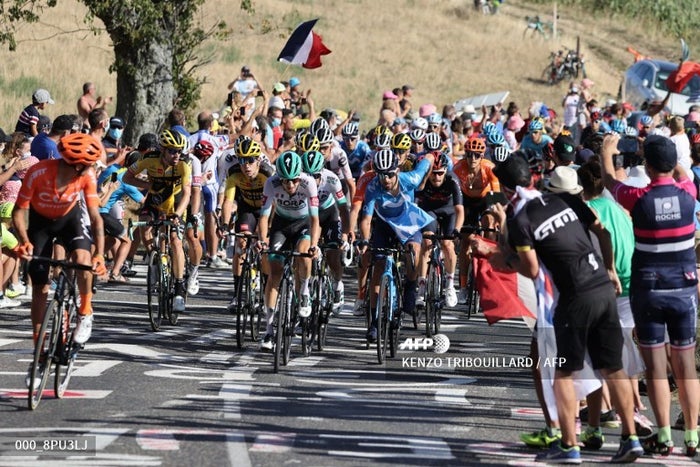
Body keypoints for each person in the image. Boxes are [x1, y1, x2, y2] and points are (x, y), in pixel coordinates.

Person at [491, 154, 643, 464]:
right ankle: (630, 439)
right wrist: (610, 268)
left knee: (562, 372)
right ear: (534, 179)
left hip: (575, 296)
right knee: (612, 367)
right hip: (602, 286)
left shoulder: (521, 219)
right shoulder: (565, 200)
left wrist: (502, 258)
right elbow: (600, 229)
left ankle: (569, 445)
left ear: (507, 190)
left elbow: (532, 269)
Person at [600, 133, 700, 457]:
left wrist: (606, 151)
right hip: (684, 289)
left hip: (649, 289)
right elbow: (684, 173)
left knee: (656, 367)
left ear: (647, 166)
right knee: (686, 365)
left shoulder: (637, 197)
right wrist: (665, 151)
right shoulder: (689, 192)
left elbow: (608, 181)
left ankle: (665, 434)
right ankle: (693, 436)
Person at [13, 133, 107, 387]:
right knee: (40, 287)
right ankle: (39, 352)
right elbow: (19, 212)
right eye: (88, 165)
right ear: (76, 165)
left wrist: (99, 253)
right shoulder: (38, 173)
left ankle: (85, 311)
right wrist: (24, 241)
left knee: (83, 260)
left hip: (70, 221)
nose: (91, 168)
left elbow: (95, 218)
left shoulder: (87, 176)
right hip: (41, 224)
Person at [357, 148, 436, 342]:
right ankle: (375, 321)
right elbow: (366, 219)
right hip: (385, 225)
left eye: (390, 174)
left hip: (408, 221)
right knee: (378, 267)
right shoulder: (373, 187)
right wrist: (365, 241)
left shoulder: (410, 179)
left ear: (398, 171)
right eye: (381, 175)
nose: (386, 179)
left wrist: (430, 155)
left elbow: (427, 161)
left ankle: (410, 287)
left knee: (414, 251)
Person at [122, 129, 192, 314]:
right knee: (144, 225)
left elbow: (187, 194)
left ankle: (179, 289)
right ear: (162, 150)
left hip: (176, 202)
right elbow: (126, 177)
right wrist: (147, 185)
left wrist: (177, 214)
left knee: (175, 240)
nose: (176, 155)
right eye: (172, 151)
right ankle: (154, 262)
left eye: (179, 151)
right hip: (156, 198)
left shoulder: (184, 165)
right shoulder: (149, 160)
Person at [257, 151, 320, 350]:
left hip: (303, 224)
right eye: (285, 181)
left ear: (300, 176)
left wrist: (314, 245)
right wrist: (262, 241)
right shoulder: (271, 183)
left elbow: (315, 219)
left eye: (294, 180)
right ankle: (269, 330)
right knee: (274, 273)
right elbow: (264, 217)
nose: (290, 185)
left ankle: (304, 290)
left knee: (304, 254)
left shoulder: (309, 183)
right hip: (281, 225)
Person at [220, 138, 274, 309]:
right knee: (241, 244)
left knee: (264, 248)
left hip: (266, 211)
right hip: (247, 209)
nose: (246, 166)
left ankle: (265, 294)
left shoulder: (267, 173)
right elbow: (228, 201)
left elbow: (275, 204)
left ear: (258, 160)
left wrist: (267, 227)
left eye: (250, 160)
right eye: (242, 161)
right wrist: (224, 224)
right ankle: (236, 295)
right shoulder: (234, 173)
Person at [301, 149, 352, 312]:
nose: (311, 180)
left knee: (332, 253)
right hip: (309, 215)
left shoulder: (331, 179)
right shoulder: (298, 180)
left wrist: (345, 234)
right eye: (307, 175)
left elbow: (343, 208)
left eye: (315, 176)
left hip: (328, 213)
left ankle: (337, 284)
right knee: (305, 251)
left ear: (322, 172)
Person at [415, 153, 464, 308]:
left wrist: (457, 230)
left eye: (440, 173)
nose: (436, 177)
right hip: (430, 211)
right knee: (426, 242)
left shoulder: (452, 180)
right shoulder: (423, 180)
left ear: (445, 171)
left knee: (448, 245)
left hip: (449, 212)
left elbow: (460, 210)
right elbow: (414, 205)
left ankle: (450, 285)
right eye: (433, 173)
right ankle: (421, 287)